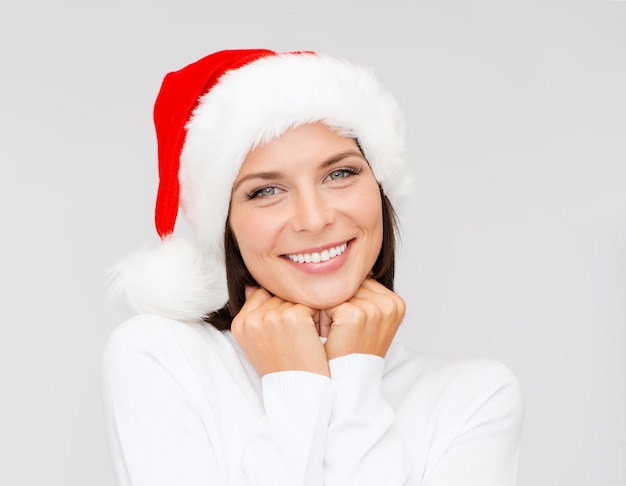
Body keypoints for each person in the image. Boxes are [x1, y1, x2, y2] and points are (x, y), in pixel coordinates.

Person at [103, 49, 523, 486]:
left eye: (339, 174)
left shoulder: (475, 397)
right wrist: (296, 383)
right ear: (226, 225)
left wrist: (355, 381)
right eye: (266, 190)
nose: (314, 218)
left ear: (380, 189)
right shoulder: (162, 355)